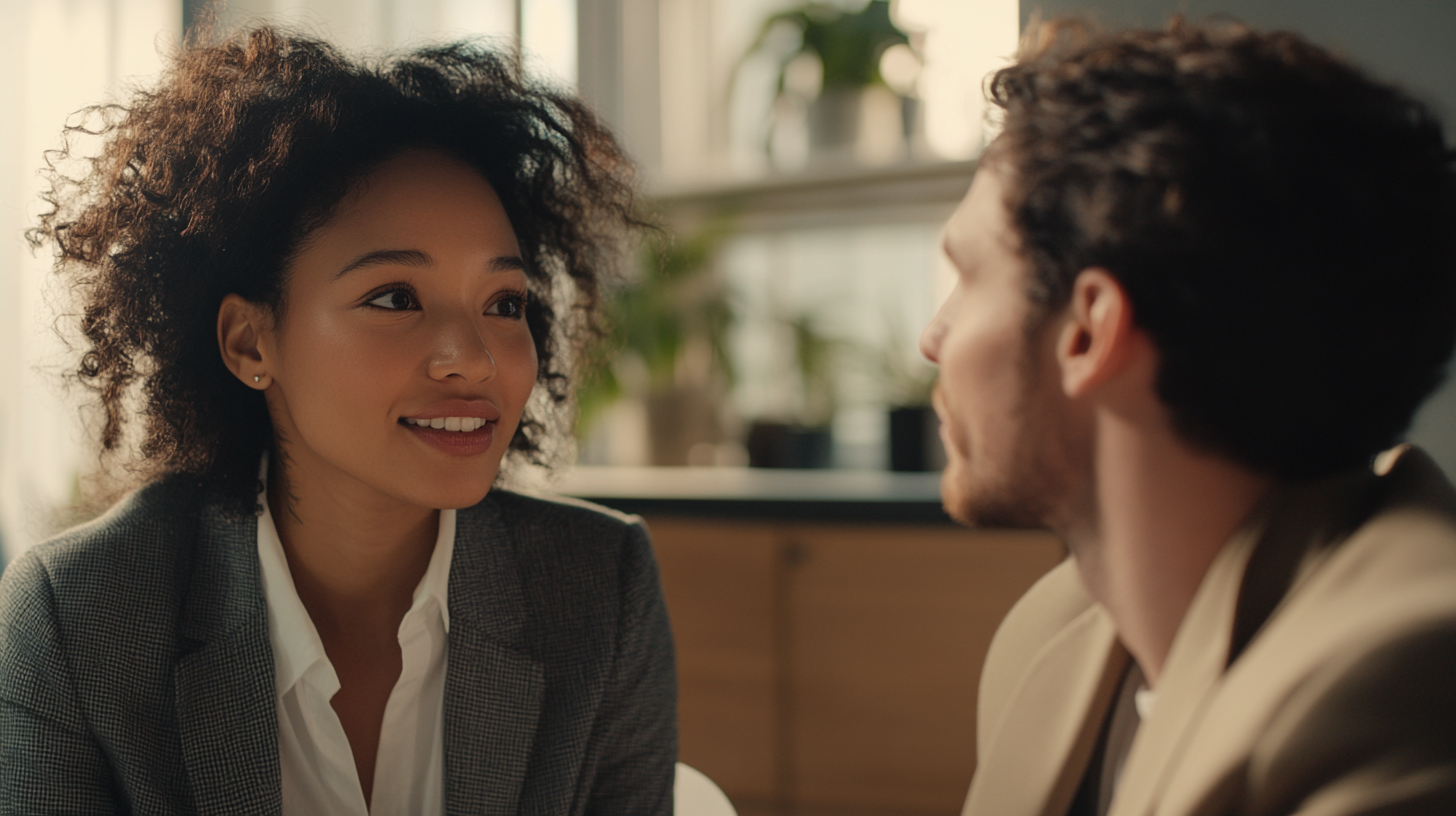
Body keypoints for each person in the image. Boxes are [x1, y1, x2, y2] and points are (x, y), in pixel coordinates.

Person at [0, 25, 675, 814]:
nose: (473, 359)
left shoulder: (600, 593)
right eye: (395, 298)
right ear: (252, 342)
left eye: (505, 303)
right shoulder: (79, 619)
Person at [918, 17, 1456, 816]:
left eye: (967, 274)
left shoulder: (1403, 677)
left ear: (1088, 331)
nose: (933, 340)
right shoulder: (1052, 635)